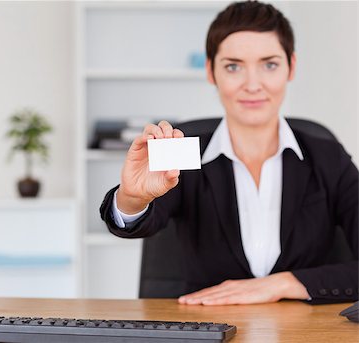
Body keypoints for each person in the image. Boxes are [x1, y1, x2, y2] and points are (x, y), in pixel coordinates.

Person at [100, 0, 358, 305]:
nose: (252, 84)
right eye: (233, 66)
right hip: (210, 328)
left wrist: (282, 284)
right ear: (211, 71)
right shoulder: (185, 152)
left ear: (291, 67)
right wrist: (133, 198)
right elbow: (137, 222)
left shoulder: (327, 157)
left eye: (269, 64)